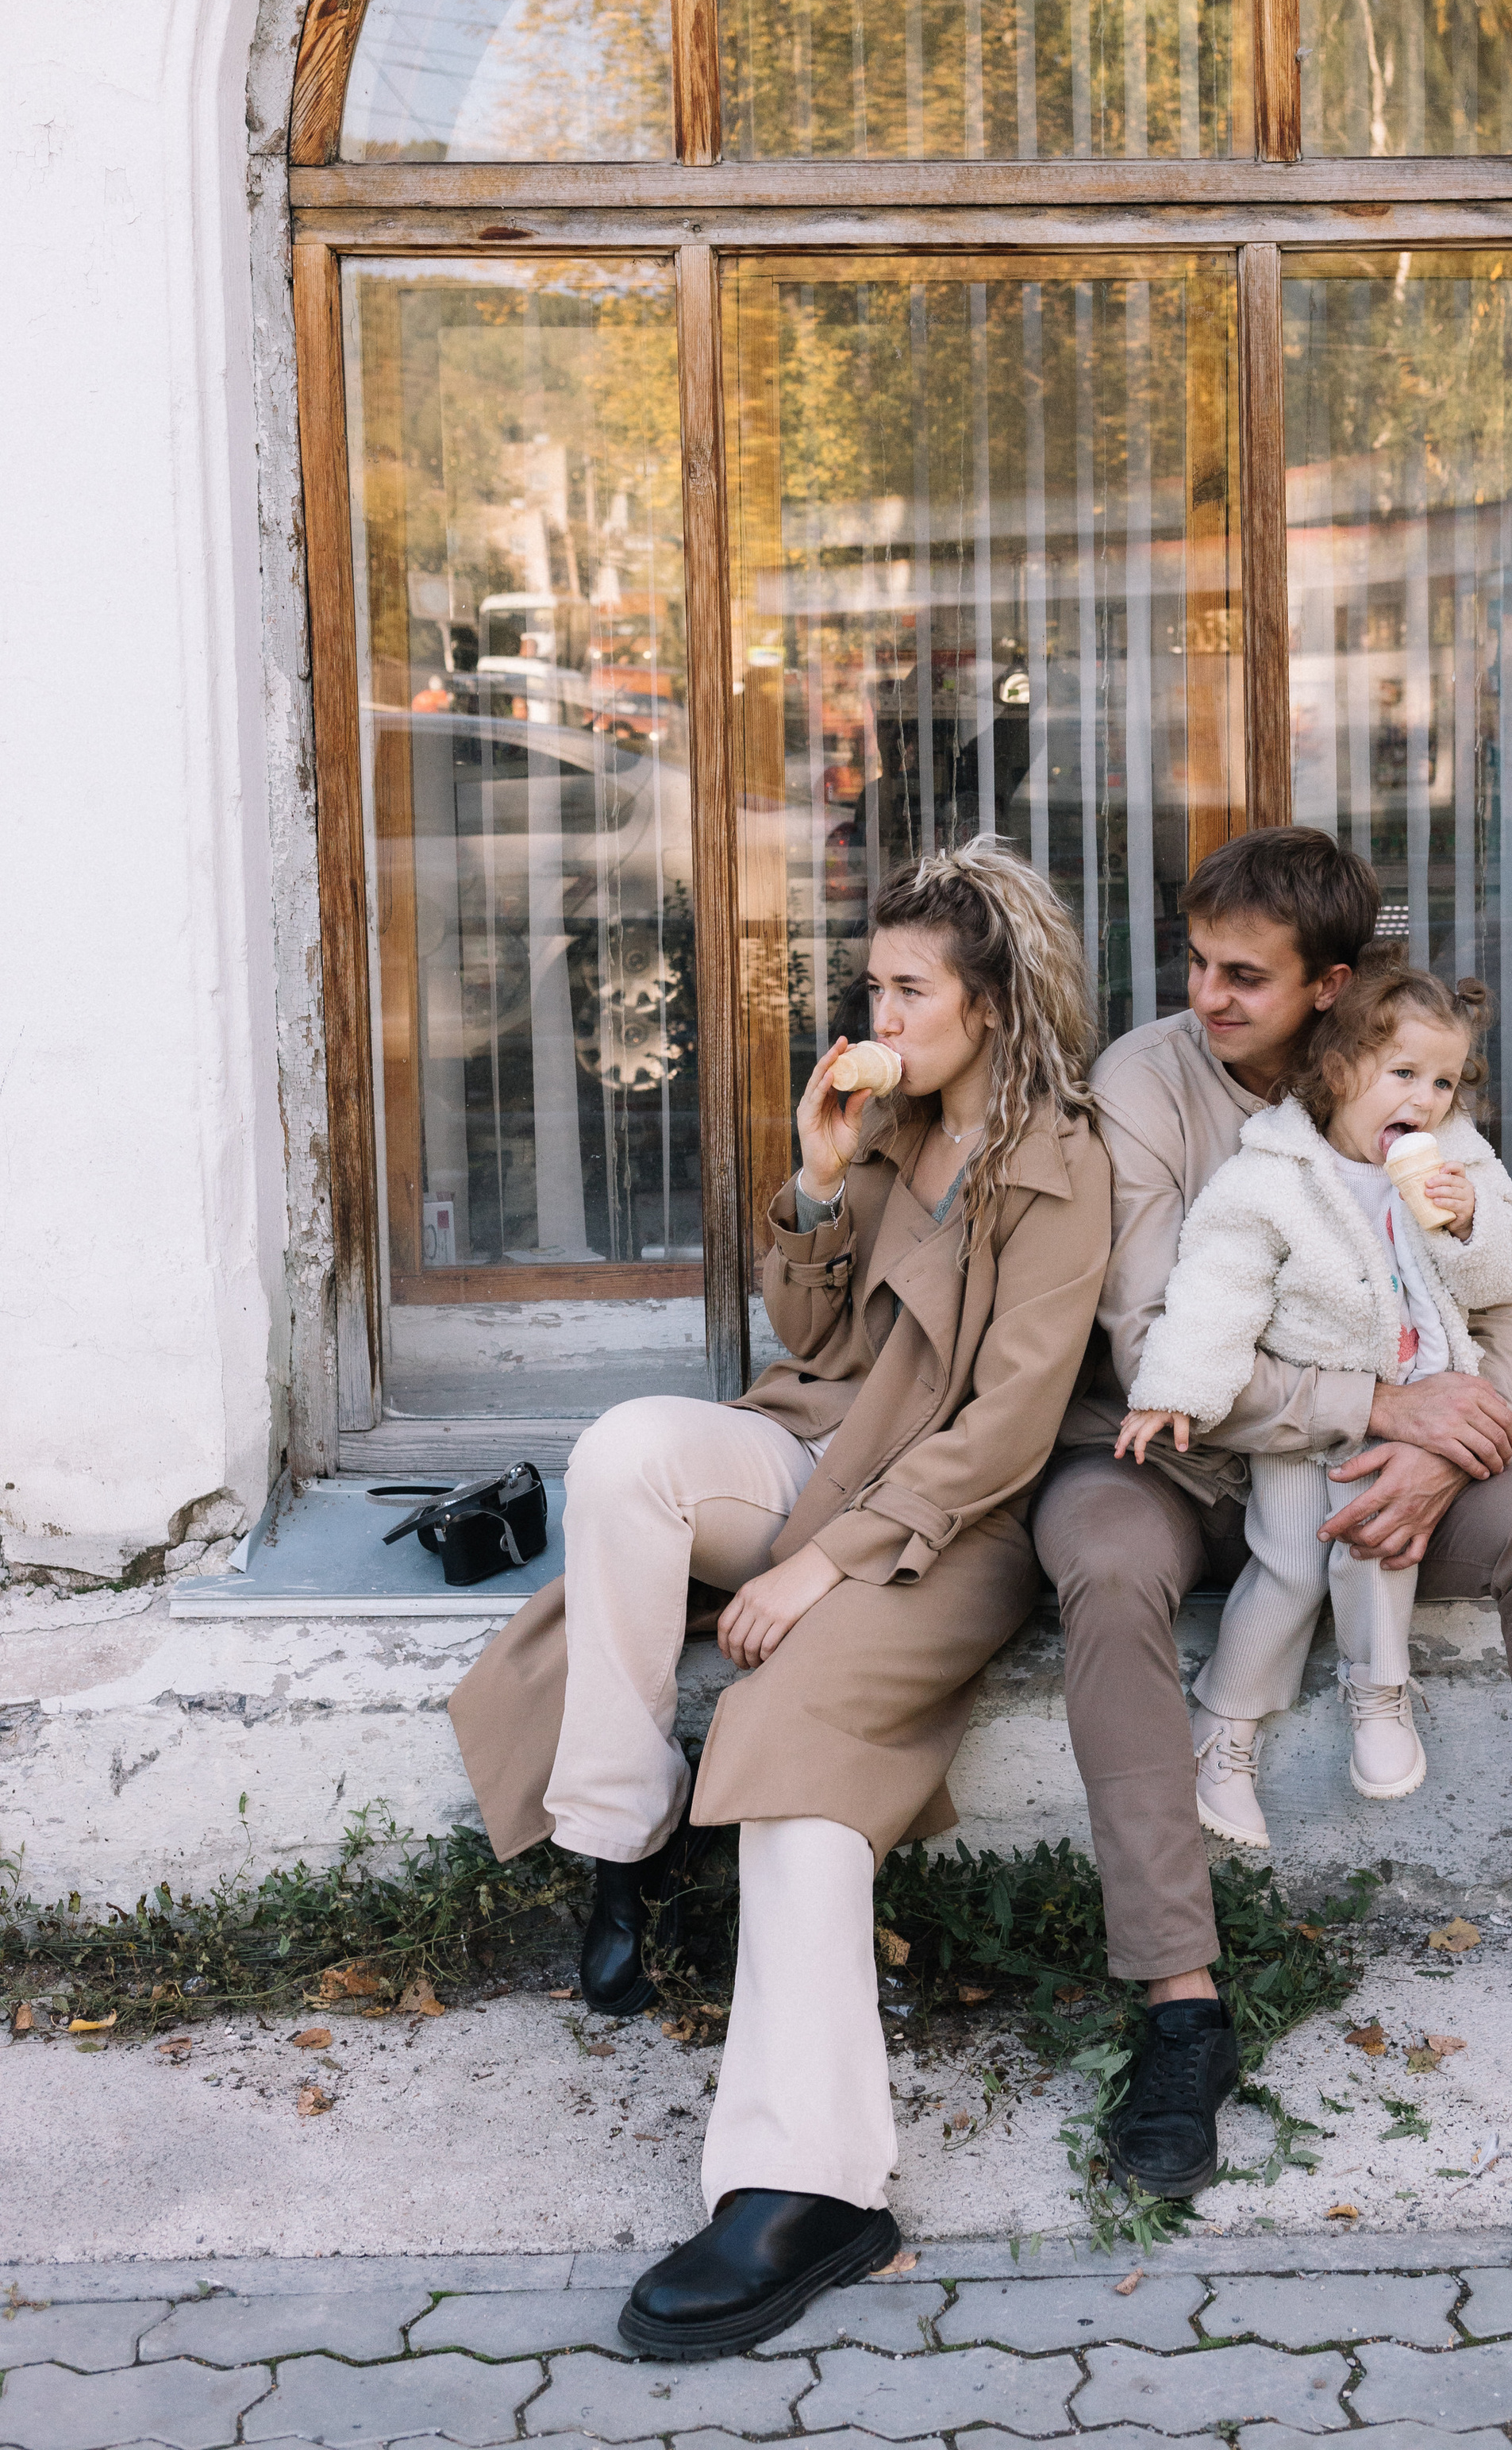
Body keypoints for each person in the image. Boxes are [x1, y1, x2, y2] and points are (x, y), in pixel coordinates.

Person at [1033, 825, 1512, 2206]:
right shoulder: (1146, 1082)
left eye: (1246, 974)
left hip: (1370, 1479)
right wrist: (1383, 1406)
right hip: (1165, 1461)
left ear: (1334, 987)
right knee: (1109, 1569)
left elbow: (1498, 1299)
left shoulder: (1404, 1076)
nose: (1210, 995)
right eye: (1199, 964)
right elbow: (1147, 1342)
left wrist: (1456, 1438)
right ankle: (1180, 2003)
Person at [448, 836, 1110, 2358]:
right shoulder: (890, 1130)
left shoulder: (1060, 1164)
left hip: (946, 1526)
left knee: (799, 1736)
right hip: (813, 1452)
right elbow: (808, 1334)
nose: (873, 1007)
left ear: (996, 1004)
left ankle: (806, 2189)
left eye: (906, 986)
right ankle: (618, 1838)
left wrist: (829, 1561)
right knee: (624, 1453)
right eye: (870, 979)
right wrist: (816, 1175)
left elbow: (1008, 1429)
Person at [1118, 964, 1512, 1843]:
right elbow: (1216, 1286)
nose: (1425, 1100)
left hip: (1420, 1408)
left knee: (1378, 1542)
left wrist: (1467, 1226)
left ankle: (1378, 1695)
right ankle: (1222, 1733)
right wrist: (1171, 1390)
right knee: (1293, 1567)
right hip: (1309, 1415)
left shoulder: (1459, 1159)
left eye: (1443, 1082)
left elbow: (1504, 1275)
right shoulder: (1272, 1173)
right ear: (1340, 1070)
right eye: (1403, 1075)